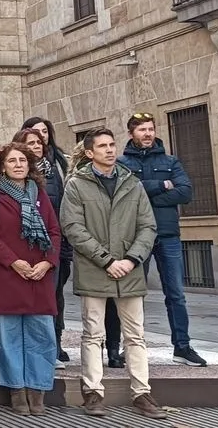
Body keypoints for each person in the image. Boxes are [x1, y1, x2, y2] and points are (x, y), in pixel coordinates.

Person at [61, 128, 165, 419]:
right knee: (93, 334)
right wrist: (107, 261)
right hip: (94, 270)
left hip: (130, 270)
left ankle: (142, 393)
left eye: (112, 144)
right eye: (102, 146)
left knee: (136, 335)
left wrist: (131, 259)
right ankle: (93, 392)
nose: (109, 150)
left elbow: (148, 226)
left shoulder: (132, 183)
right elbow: (73, 228)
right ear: (89, 153)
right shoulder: (76, 185)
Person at [0, 143, 61, 416]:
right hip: (7, 272)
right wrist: (13, 261)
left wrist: (48, 262)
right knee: (8, 336)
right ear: (2, 166)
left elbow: (54, 230)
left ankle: (38, 389)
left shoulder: (40, 194)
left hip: (39, 274)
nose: (18, 165)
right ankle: (16, 390)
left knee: (42, 334)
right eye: (12, 161)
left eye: (22, 160)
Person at [117, 112, 206, 367]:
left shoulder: (171, 161)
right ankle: (132, 346)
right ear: (131, 133)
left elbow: (185, 192)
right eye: (142, 129)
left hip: (168, 236)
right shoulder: (122, 163)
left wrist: (146, 194)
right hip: (136, 237)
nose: (147, 134)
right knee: (134, 295)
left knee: (176, 294)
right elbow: (125, 192)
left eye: (150, 129)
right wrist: (162, 185)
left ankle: (182, 347)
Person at [22, 116, 73, 366]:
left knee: (55, 295)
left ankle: (55, 343)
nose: (38, 142)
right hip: (28, 244)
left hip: (56, 240)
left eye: (42, 135)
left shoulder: (58, 167)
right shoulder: (16, 171)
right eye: (31, 139)